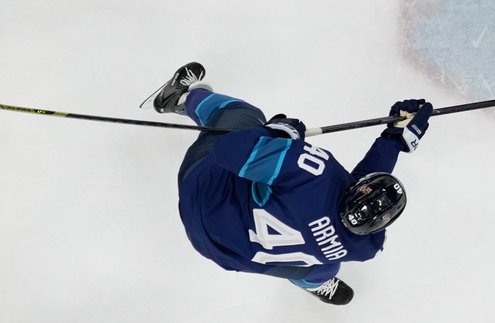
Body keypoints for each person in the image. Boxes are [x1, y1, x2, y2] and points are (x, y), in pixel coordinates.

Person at [152, 62, 432, 305]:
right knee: (325, 265)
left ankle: (180, 97)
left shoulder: (312, 175)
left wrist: (276, 132)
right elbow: (352, 193)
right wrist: (393, 140)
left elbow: (229, 150)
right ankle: (315, 283)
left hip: (203, 191)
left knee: (244, 115)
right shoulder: (365, 247)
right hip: (222, 252)